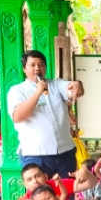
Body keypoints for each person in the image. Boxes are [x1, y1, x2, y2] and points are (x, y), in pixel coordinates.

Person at [9, 50, 84, 179]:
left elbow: (69, 89)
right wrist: (38, 92)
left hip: (64, 152)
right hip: (35, 154)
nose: (37, 68)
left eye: (41, 65)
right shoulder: (17, 91)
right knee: (41, 196)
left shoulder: (56, 84)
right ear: (24, 69)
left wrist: (76, 85)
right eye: (32, 65)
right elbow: (18, 117)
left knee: (66, 193)